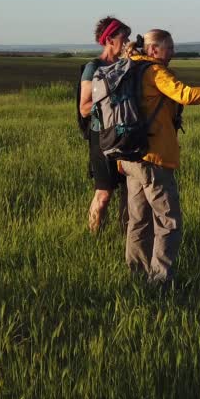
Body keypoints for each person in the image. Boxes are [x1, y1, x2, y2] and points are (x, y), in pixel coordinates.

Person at [115, 29, 200, 287]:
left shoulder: (129, 69)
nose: (173, 52)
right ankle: (160, 283)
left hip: (129, 156)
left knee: (138, 220)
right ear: (154, 50)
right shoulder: (154, 72)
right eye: (170, 47)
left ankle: (136, 276)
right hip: (153, 158)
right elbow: (184, 94)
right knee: (168, 222)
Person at [79, 16, 131, 235]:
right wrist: (110, 102)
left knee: (129, 192)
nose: (127, 42)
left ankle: (126, 237)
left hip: (126, 136)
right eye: (124, 38)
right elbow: (84, 107)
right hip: (101, 136)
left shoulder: (125, 66)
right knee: (104, 195)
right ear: (109, 39)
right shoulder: (94, 67)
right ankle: (94, 236)